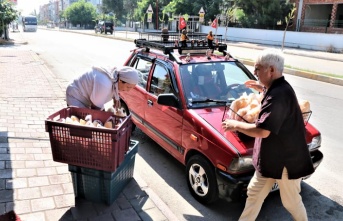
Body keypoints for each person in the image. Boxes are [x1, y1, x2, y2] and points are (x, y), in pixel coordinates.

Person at [222, 49, 314, 221]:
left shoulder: (279, 95)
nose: (255, 73)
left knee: (291, 202)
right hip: (269, 160)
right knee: (254, 195)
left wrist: (235, 124)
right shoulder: (275, 89)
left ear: (271, 70)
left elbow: (262, 131)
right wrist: (262, 87)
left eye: (258, 69)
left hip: (286, 162)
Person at [66, 66, 139, 110]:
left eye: (131, 88)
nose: (128, 90)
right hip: (75, 95)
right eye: (128, 87)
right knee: (81, 124)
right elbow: (95, 107)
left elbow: (114, 89)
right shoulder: (105, 84)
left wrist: (115, 97)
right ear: (120, 80)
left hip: (85, 97)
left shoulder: (114, 77)